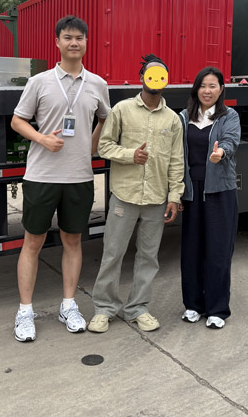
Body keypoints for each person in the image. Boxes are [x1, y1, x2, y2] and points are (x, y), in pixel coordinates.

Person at [10, 15, 110, 342]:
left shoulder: (97, 84)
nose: (74, 43)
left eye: (79, 38)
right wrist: (41, 139)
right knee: (33, 242)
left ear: (85, 43)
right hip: (42, 176)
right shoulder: (39, 82)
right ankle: (25, 311)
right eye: (68, 37)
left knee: (73, 241)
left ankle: (69, 305)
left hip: (79, 176)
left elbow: (105, 119)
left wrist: (90, 146)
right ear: (57, 43)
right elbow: (17, 121)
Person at [87, 54, 184, 333]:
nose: (155, 79)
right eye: (151, 74)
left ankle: (138, 308)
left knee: (148, 257)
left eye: (161, 75)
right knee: (113, 253)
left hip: (156, 199)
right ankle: (104, 309)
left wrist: (175, 196)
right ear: (142, 77)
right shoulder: (122, 110)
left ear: (166, 80)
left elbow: (177, 161)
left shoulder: (173, 120)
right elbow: (103, 147)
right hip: (125, 197)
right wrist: (131, 155)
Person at [178, 67, 241, 329]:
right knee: (191, 250)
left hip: (219, 191)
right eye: (203, 85)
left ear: (221, 89)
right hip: (192, 191)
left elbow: (231, 141)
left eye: (213, 86)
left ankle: (217, 309)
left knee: (218, 251)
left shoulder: (229, 116)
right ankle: (193, 305)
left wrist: (221, 153)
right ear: (196, 88)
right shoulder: (183, 117)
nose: (207, 90)